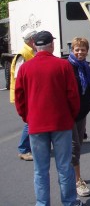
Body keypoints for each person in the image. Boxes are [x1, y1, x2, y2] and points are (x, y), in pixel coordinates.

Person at [14, 30, 83, 206]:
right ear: (51, 45)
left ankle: (42, 203)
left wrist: (27, 117)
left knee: (40, 169)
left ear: (35, 46)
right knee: (64, 166)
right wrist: (70, 116)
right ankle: (69, 202)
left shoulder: (26, 68)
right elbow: (73, 96)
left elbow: (19, 98)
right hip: (61, 122)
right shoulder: (63, 65)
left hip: (36, 124)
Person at [68, 37, 90, 197]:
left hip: (81, 113)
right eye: (77, 49)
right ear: (72, 50)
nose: (80, 52)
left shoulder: (85, 66)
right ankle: (77, 181)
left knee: (78, 144)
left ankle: (72, 175)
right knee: (74, 147)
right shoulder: (68, 66)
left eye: (83, 49)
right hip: (70, 114)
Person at [9, 29, 37, 161]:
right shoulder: (23, 54)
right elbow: (19, 77)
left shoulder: (31, 51)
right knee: (30, 121)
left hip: (30, 92)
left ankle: (27, 148)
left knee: (31, 121)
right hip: (25, 94)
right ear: (32, 40)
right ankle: (23, 149)